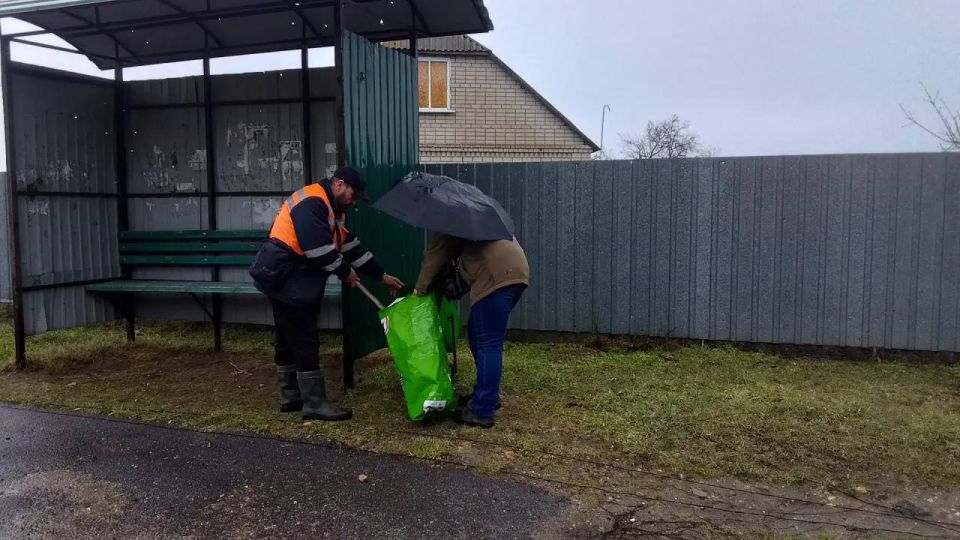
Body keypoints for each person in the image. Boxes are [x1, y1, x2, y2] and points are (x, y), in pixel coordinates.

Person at [250, 167, 404, 422]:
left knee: (289, 338)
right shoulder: (313, 203)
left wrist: (380, 275)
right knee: (304, 339)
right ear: (339, 184)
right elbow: (318, 250)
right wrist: (347, 273)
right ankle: (314, 403)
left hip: (289, 277)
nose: (354, 202)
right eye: (353, 195)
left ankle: (291, 397)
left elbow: (350, 246)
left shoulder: (330, 208)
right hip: (287, 278)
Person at [413, 233, 529, 428]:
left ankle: (483, 409)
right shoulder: (472, 218)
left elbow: (436, 254)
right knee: (477, 335)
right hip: (516, 270)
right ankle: (486, 394)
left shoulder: (449, 218)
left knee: (488, 344)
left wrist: (419, 289)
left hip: (496, 275)